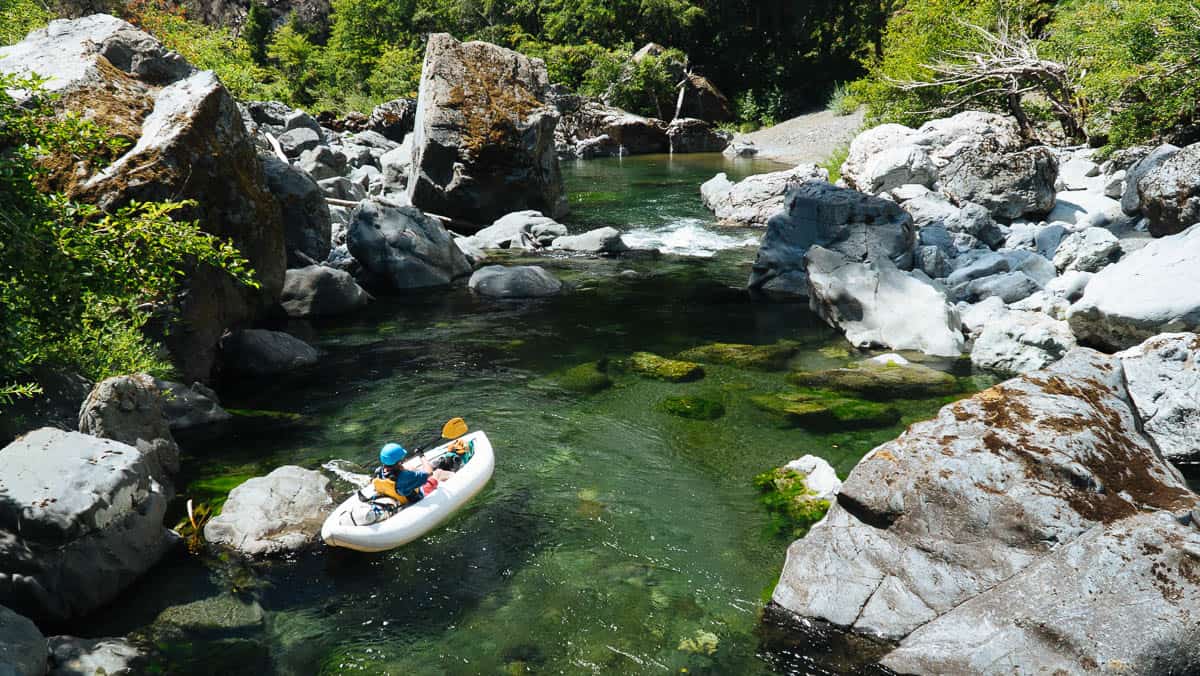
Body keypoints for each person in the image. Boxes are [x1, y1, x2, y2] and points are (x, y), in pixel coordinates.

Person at [374, 443, 454, 504]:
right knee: (438, 472)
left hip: (400, 494)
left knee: (411, 468)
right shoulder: (405, 476)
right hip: (419, 494)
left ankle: (436, 465)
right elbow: (429, 473)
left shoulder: (379, 472)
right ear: (398, 461)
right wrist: (421, 455)